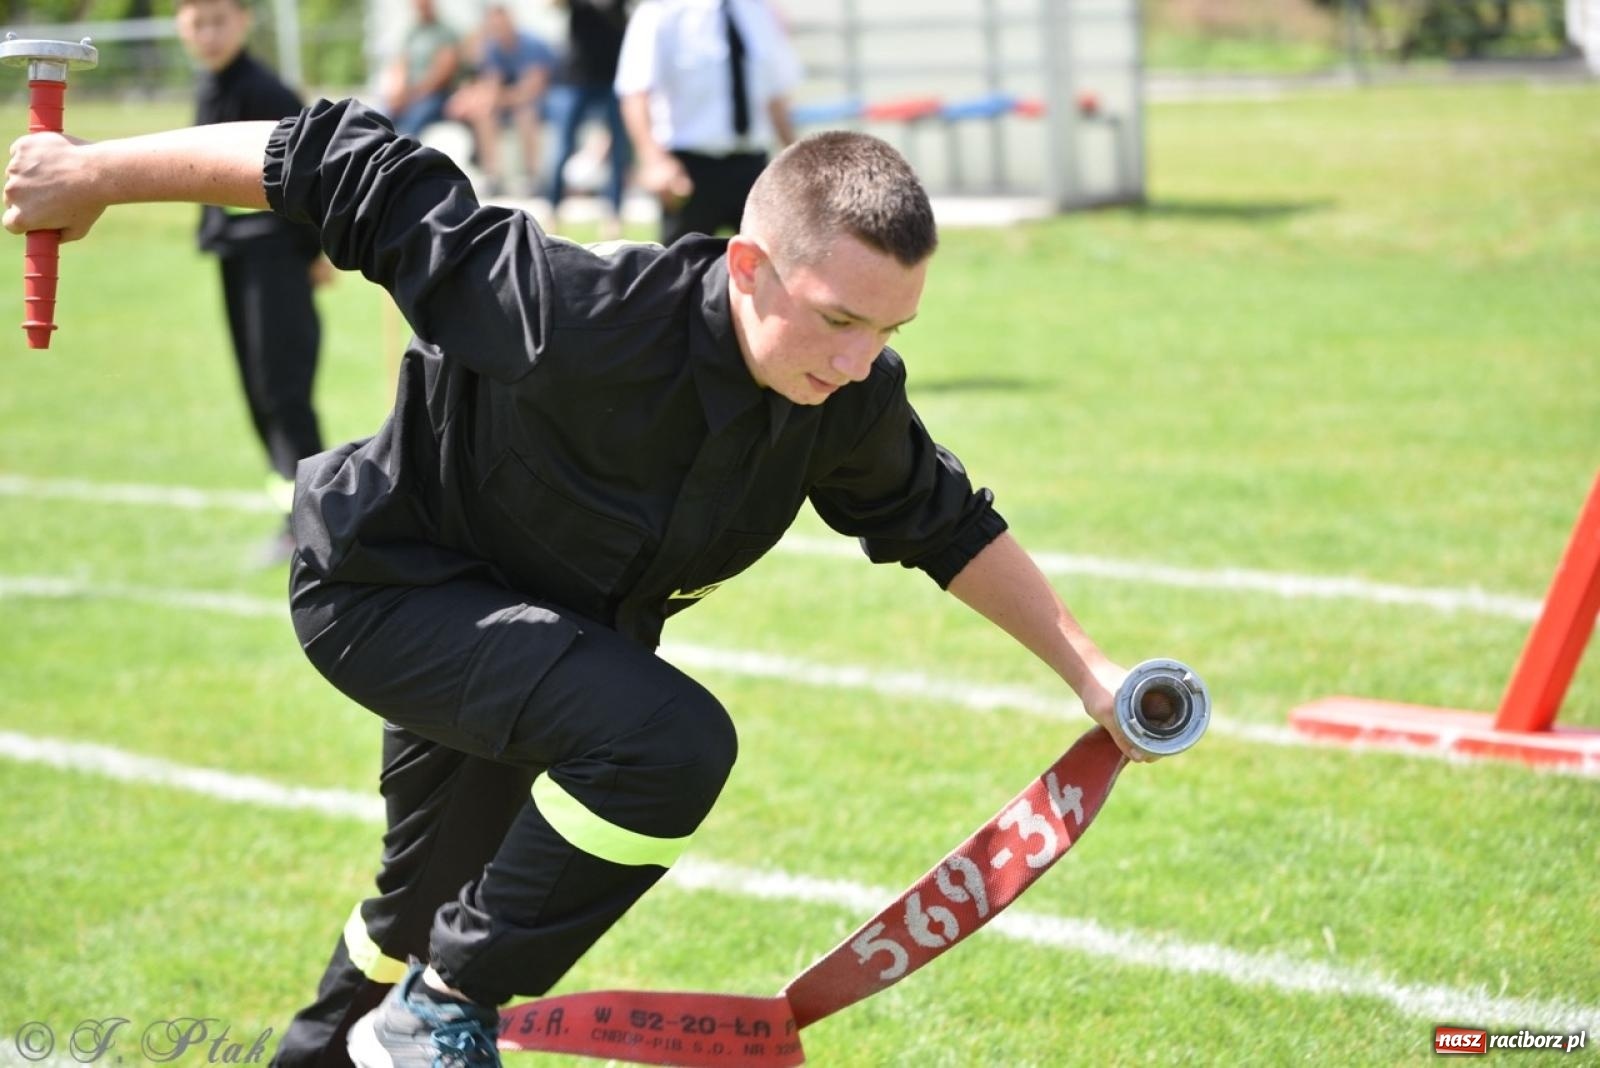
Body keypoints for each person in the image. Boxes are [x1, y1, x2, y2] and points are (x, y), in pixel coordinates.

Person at [4, 99, 1162, 1068]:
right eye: (839, 321)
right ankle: (446, 1015)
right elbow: (336, 159)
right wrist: (95, 172)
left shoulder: (845, 396)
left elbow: (943, 521)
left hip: (539, 645)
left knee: (418, 916)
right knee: (668, 744)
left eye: (889, 330)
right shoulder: (568, 313)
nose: (860, 361)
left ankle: (383, 1021)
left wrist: (1091, 675)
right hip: (384, 593)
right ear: (748, 266)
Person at [174, 0, 329, 564]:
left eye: (219, 20)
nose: (209, 34)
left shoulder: (266, 92)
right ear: (180, 26)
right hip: (237, 261)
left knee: (282, 392)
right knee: (259, 396)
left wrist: (316, 251)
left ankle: (311, 525)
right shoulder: (212, 86)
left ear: (243, 20)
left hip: (276, 262)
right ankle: (293, 519)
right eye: (197, 22)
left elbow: (313, 175)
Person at [616, 0, 801, 245]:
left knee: (771, 266)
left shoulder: (759, 11)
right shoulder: (661, 12)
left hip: (753, 167)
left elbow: (774, 96)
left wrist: (796, 160)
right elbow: (635, 92)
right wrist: (654, 161)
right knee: (679, 275)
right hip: (689, 172)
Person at [444, 5, 557, 197]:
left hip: (544, 101)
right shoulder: (493, 49)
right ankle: (492, 176)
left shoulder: (532, 45)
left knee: (525, 114)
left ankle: (532, 177)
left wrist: (501, 97)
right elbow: (491, 86)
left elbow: (532, 90)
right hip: (511, 103)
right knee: (484, 114)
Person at [545, 0, 632, 236]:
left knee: (618, 153)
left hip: (615, 76)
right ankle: (552, 210)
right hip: (577, 78)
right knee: (562, 149)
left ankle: (614, 215)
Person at [380, 0, 461, 138]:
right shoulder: (412, 32)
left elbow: (443, 73)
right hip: (411, 94)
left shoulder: (445, 32)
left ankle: (402, 154)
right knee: (382, 117)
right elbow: (401, 64)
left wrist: (415, 94)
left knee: (413, 121)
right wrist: (399, 93)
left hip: (435, 95)